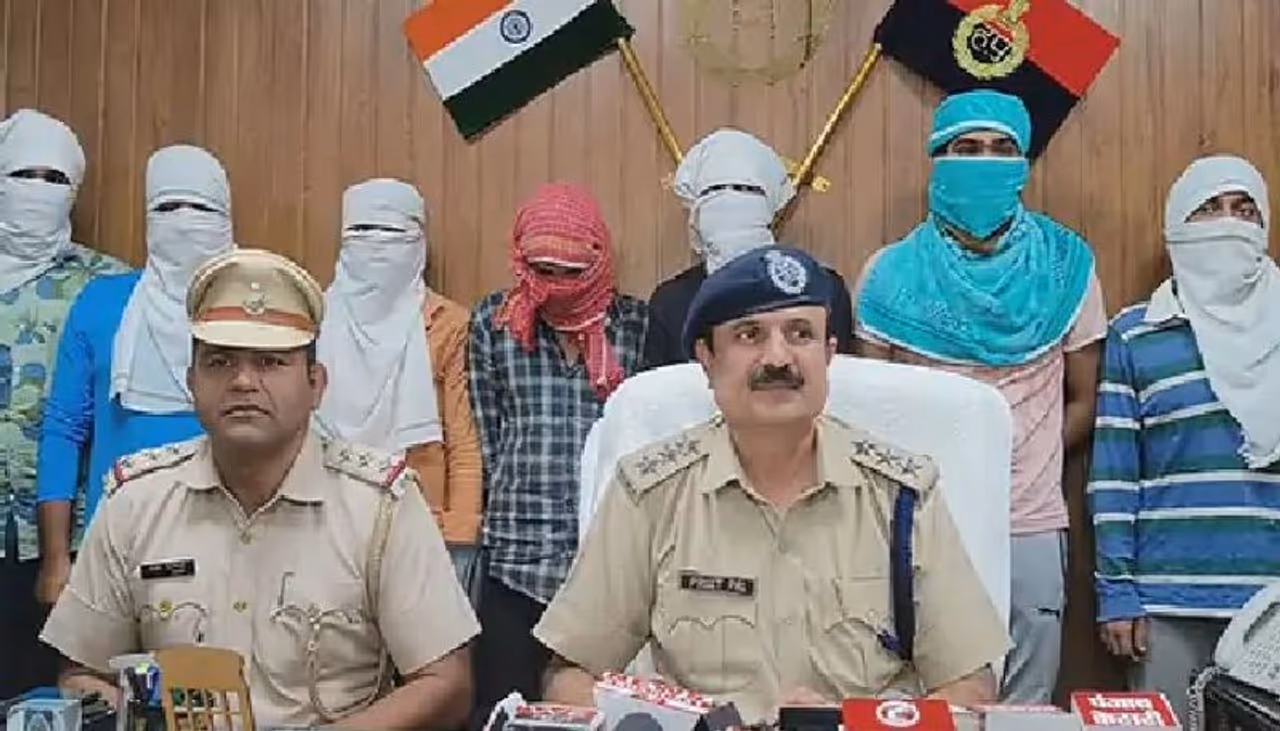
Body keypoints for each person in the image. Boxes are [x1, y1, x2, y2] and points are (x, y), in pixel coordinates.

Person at [534, 245, 1008, 725]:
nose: (778, 357)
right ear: (707, 359)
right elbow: (571, 676)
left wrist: (849, 724)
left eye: (800, 334)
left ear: (828, 355)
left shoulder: (901, 495)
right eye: (749, 335)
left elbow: (969, 688)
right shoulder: (650, 493)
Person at [40, 248, 478, 730]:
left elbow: (446, 683)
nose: (243, 381)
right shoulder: (136, 500)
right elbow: (81, 673)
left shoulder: (379, 506)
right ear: (191, 383)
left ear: (316, 385)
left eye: (270, 362)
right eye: (219, 361)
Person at [854, 90, 1105, 704]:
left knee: (1025, 702)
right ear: (937, 161)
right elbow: (868, 410)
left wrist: (1015, 459)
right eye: (966, 149)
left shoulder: (1067, 267)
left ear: (1023, 165)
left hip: (1030, 520)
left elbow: (1083, 399)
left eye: (1001, 149)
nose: (984, 162)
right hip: (921, 518)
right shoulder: (889, 274)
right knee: (921, 695)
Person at [1089, 155, 1280, 722]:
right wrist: (1117, 591)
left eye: (1244, 210)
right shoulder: (1137, 332)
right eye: (1209, 209)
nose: (1228, 223)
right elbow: (1115, 476)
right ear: (1178, 225)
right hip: (1166, 602)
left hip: (1273, 603)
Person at [468, 182, 648, 727]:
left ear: (599, 259)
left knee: (602, 713)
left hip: (606, 560)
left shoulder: (636, 326)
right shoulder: (496, 322)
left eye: (572, 272)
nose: (556, 286)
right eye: (542, 270)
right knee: (503, 711)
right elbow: (488, 431)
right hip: (516, 558)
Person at [35, 144, 233, 609]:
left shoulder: (253, 307)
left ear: (225, 218)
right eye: (167, 207)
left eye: (199, 208)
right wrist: (56, 559)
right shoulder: (102, 303)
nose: (182, 222)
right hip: (115, 544)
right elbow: (64, 429)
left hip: (233, 545)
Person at [0, 108, 128, 698]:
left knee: (49, 692)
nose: (38, 190)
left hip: (65, 538)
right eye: (24, 174)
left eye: (55, 179)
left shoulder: (106, 284)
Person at [316, 178, 481, 582]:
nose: (377, 246)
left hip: (419, 523)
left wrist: (458, 533)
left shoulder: (448, 324)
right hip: (324, 521)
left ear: (420, 243)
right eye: (363, 232)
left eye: (392, 234)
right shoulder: (315, 317)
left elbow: (463, 440)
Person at [643, 128, 854, 369]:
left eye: (744, 192)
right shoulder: (670, 303)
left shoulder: (822, 289)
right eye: (716, 194)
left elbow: (840, 382)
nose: (730, 208)